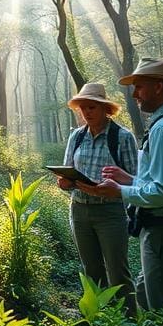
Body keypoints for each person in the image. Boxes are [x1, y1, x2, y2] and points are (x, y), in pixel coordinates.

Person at [86, 58, 163, 326]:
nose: (135, 94)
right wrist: (130, 180)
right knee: (160, 296)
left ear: (159, 87)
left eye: (139, 87)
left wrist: (120, 192)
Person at [57, 83, 138, 313]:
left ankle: (130, 325)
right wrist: (64, 182)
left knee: (117, 271)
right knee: (91, 269)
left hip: (111, 213)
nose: (86, 112)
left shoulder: (122, 137)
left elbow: (135, 179)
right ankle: (97, 321)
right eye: (83, 108)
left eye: (92, 107)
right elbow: (68, 170)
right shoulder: (76, 137)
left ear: (105, 109)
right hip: (80, 210)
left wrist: (112, 186)